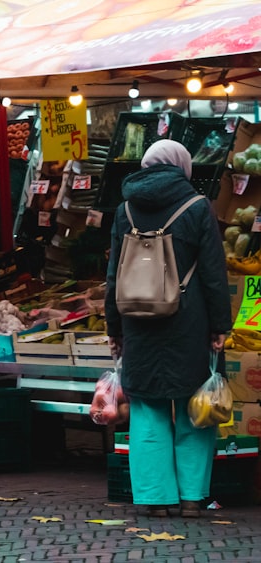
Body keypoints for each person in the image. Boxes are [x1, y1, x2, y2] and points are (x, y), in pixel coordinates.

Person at [104, 139, 230, 519]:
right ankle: (192, 497)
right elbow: (213, 273)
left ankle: (154, 497)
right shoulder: (197, 207)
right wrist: (220, 325)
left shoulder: (125, 210)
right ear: (181, 165)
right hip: (189, 321)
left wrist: (115, 327)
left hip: (138, 321)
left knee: (147, 408)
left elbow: (113, 276)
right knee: (196, 407)